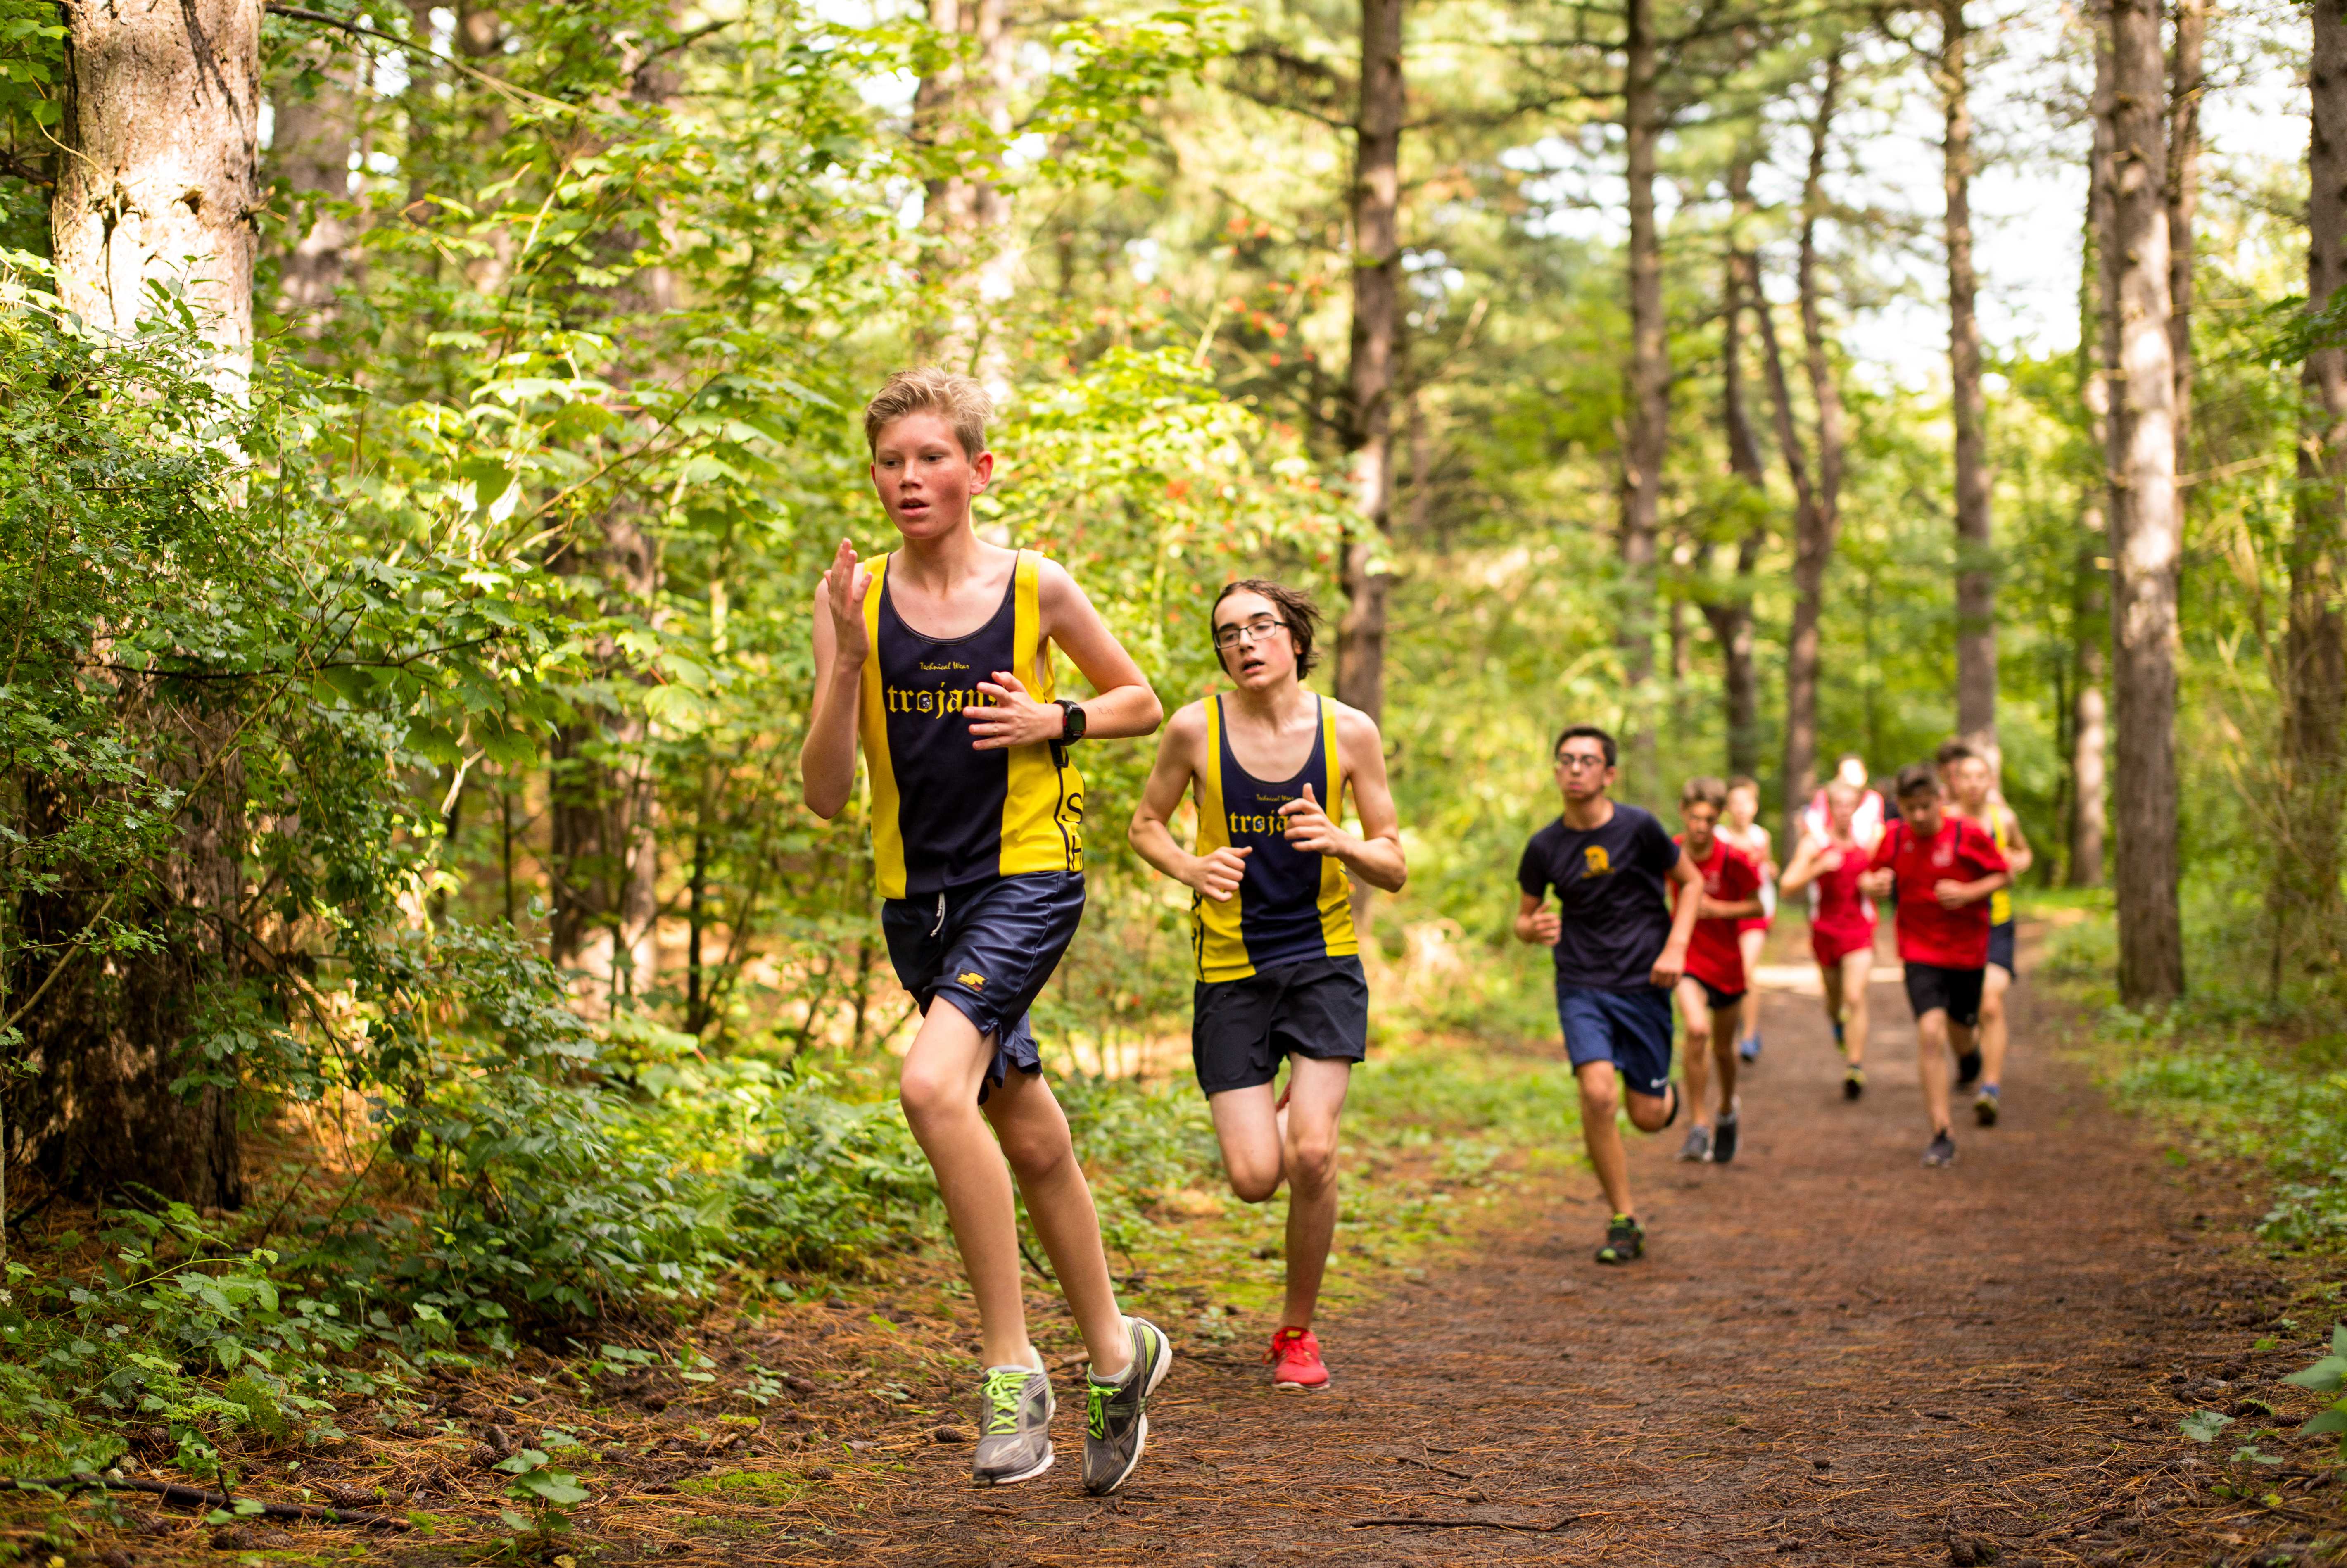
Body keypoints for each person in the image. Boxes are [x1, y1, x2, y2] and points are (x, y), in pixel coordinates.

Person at [799, 368, 1172, 1493]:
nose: (908, 478)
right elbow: (823, 791)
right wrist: (847, 669)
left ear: (977, 469)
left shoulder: (1035, 585)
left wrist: (1052, 718)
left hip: (1028, 878)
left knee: (929, 1087)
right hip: (919, 902)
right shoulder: (852, 600)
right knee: (1032, 1131)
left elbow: (1141, 700)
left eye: (930, 457)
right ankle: (1120, 1350)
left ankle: (1013, 1369)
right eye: (890, 461)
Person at [1127, 579, 1405, 1392]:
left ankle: (1296, 1330)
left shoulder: (1349, 731)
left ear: (1294, 637)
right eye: (1228, 634)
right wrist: (1190, 863)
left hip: (1323, 963)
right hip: (1230, 970)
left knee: (1312, 1152)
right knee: (1255, 1177)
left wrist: (1342, 841)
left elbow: (1394, 864)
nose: (1245, 642)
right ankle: (1280, 1109)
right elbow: (1147, 824)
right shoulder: (1193, 728)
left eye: (1260, 626)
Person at [1514, 725, 1704, 1262]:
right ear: (1556, 771)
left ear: (1609, 774)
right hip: (1581, 984)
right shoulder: (1544, 847)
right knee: (1597, 1093)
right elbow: (1523, 919)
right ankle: (1623, 1218)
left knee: (1646, 1116)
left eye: (1587, 761)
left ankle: (1663, 1098)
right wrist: (1532, 929)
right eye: (1566, 760)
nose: (1575, 769)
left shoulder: (1640, 828)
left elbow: (1690, 883)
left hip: (1645, 981)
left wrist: (1677, 947)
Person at [1857, 763, 2010, 1168]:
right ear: (1900, 808)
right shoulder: (1895, 837)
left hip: (1966, 951)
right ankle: (1942, 1132)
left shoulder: (1967, 834)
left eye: (1926, 806)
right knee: (1929, 1032)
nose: (1920, 816)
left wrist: (1968, 891)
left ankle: (1971, 1058)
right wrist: (1871, 885)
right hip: (1919, 950)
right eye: (1911, 808)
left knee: (1962, 1031)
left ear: (1940, 800)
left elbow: (2003, 875)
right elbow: (1866, 877)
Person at [1668, 777, 1765, 1165]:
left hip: (1727, 963)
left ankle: (1727, 1109)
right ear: (1683, 814)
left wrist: (1719, 909)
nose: (1701, 827)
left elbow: (1758, 908)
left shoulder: (1733, 859)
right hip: (1687, 959)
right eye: (1695, 818)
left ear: (1718, 819)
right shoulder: (1670, 853)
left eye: (1709, 819)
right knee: (1696, 1030)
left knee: (1724, 1051)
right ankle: (1698, 1125)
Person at [1936, 741, 2033, 1127]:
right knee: (1956, 1014)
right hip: (1951, 927)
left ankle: (1990, 1088)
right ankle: (1968, 1057)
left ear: (1990, 781)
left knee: (1990, 1002)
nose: (1974, 785)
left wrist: (2014, 862)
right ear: (1955, 781)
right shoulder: (1942, 819)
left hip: (1996, 922)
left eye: (1981, 777)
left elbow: (2023, 853)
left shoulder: (2003, 818)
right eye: (1967, 778)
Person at [1777, 779, 1879, 1101]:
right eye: (1840, 806)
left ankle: (1855, 1066)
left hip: (1860, 930)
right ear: (1830, 809)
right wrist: (1819, 867)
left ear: (1858, 808)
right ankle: (1837, 1025)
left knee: (1855, 995)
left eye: (1852, 805)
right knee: (1835, 1002)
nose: (1846, 812)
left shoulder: (1868, 842)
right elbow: (1787, 885)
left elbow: (1885, 876)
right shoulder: (1815, 844)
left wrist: (1875, 885)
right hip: (1825, 931)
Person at [1718, 775, 1777, 1065]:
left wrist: (1771, 867)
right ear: (1728, 807)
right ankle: (1732, 1025)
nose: (1741, 809)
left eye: (1746, 803)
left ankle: (1749, 1035)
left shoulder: (1761, 836)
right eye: (1735, 803)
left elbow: (1766, 872)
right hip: (1724, 913)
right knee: (1728, 973)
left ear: (1754, 806)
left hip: (1756, 912)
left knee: (1745, 970)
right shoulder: (1718, 836)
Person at [1802, 753, 1886, 847]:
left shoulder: (1873, 798)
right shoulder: (1824, 795)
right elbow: (1813, 825)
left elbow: (1878, 828)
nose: (1852, 778)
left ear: (1865, 774)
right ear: (1838, 776)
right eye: (1847, 774)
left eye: (1856, 772)